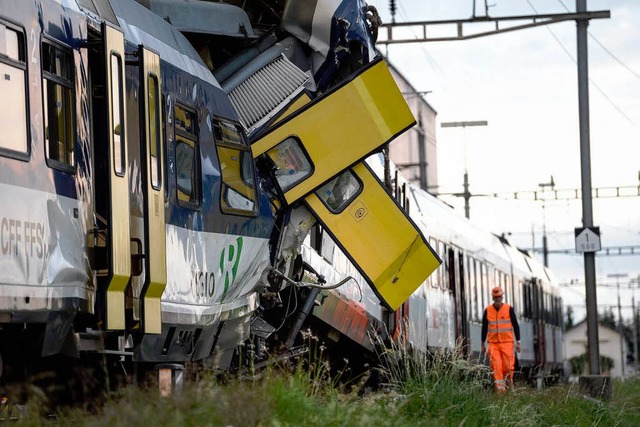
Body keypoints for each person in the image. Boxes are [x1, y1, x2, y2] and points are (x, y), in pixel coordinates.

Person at [481, 286, 521, 392]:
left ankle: (509, 384)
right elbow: (484, 327)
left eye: (499, 296)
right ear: (493, 297)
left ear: (502, 296)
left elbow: (516, 325)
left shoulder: (508, 309)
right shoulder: (488, 310)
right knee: (496, 367)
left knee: (508, 366)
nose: (497, 298)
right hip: (493, 343)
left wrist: (518, 342)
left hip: (507, 343)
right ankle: (500, 392)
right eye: (495, 297)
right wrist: (482, 343)